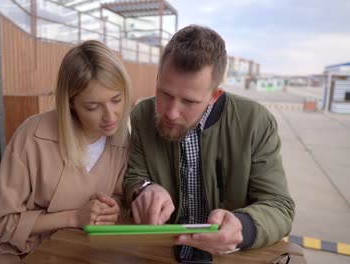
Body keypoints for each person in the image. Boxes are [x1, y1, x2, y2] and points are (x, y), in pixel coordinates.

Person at [123, 25, 295, 257]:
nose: (172, 112)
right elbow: (134, 176)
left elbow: (279, 206)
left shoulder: (256, 122)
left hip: (229, 256)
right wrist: (143, 189)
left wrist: (243, 226)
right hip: (160, 249)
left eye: (189, 101)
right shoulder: (142, 115)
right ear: (157, 79)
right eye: (164, 93)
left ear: (214, 96)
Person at [0, 40, 132, 263]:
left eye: (117, 100)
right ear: (70, 104)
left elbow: (118, 195)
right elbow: (2, 224)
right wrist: (74, 217)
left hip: (81, 253)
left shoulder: (120, 138)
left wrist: (112, 209)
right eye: (93, 106)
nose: (111, 116)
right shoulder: (32, 137)